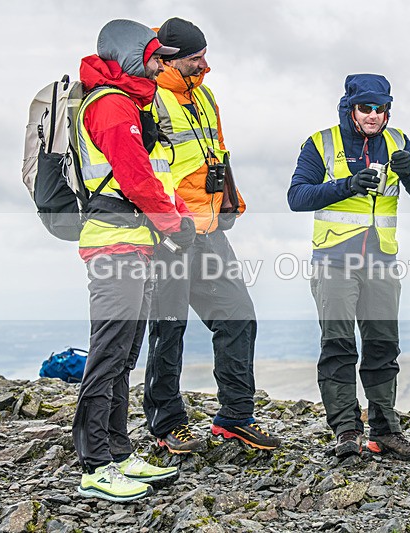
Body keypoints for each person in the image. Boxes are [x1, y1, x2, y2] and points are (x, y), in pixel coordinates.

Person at [70, 19, 198, 502]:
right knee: (109, 354)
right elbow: (136, 179)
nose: (158, 62)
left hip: (134, 244)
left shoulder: (128, 103)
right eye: (152, 54)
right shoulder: (110, 105)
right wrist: (175, 224)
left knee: (124, 354)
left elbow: (152, 178)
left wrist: (175, 218)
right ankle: (95, 463)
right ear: (127, 55)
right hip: (113, 247)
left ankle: (118, 452)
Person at [143, 17, 280, 453]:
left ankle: (235, 417)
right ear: (169, 57)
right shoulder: (150, 99)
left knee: (238, 315)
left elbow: (216, 152)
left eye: (203, 54)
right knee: (169, 329)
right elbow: (145, 171)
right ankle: (167, 423)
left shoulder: (204, 96)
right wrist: (168, 222)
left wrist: (230, 200)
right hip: (168, 235)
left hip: (209, 230)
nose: (204, 62)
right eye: (195, 57)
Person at [288, 74, 410, 461]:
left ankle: (385, 431)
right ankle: (346, 431)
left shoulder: (398, 141)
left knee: (384, 347)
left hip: (382, 260)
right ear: (350, 107)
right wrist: (348, 184)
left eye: (381, 108)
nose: (374, 115)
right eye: (366, 108)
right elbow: (296, 197)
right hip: (334, 260)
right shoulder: (321, 143)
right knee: (338, 346)